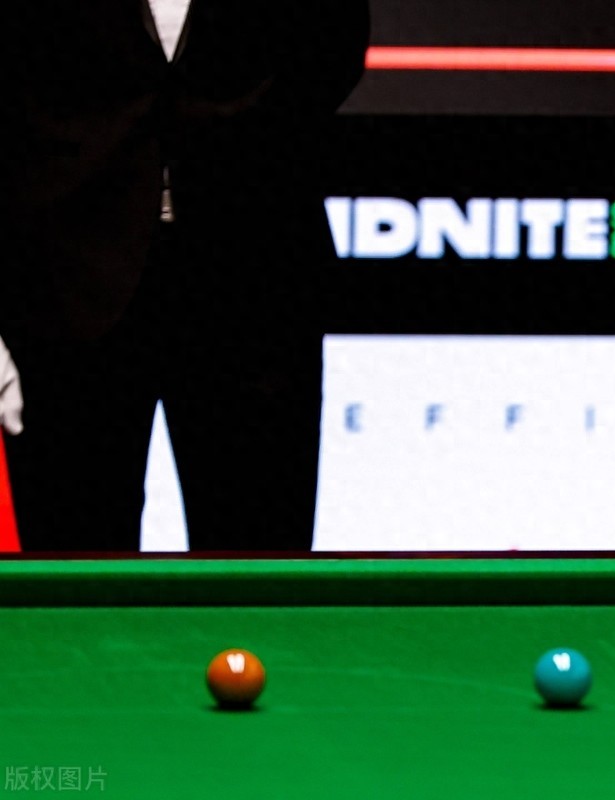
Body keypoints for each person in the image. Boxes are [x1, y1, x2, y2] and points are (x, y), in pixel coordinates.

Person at [0, 2, 370, 551]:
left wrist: (242, 145)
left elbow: (332, 52)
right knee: (76, 573)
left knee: (257, 568)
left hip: (254, 282)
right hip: (64, 288)